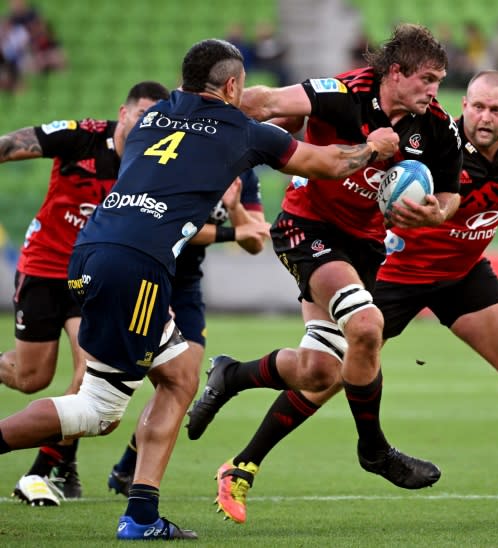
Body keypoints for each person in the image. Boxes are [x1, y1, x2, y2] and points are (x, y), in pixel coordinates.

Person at [0, 37, 400, 541]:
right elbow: (328, 164)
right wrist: (374, 148)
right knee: (97, 410)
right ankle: (138, 516)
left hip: (89, 252)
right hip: (139, 267)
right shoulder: (242, 131)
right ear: (233, 85)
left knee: (180, 375)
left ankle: (142, 512)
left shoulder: (153, 117)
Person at [187, 70, 498, 524]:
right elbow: (359, 168)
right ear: (463, 105)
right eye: (477, 106)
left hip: (462, 273)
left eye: (495, 110)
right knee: (326, 375)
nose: (484, 117)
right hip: (397, 272)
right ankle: (242, 463)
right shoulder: (433, 141)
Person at [186, 23, 463, 523]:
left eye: (439, 81)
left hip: (365, 246)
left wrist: (436, 214)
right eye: (427, 79)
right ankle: (374, 450)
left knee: (318, 371)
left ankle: (231, 375)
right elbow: (264, 103)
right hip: (306, 227)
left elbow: (450, 194)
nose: (434, 91)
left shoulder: (437, 128)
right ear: (395, 73)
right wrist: (202, 123)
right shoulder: (345, 94)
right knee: (366, 325)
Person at [0, 80, 170, 506]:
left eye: (156, 120)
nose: (147, 125)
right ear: (124, 112)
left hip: (91, 274)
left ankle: (41, 472)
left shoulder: (156, 159)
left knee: (87, 371)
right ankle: (61, 463)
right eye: (141, 115)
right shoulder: (83, 135)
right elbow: (15, 144)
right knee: (30, 377)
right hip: (42, 266)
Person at [107, 168, 270, 496]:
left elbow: (254, 241)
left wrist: (235, 207)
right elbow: (171, 226)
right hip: (149, 270)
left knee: (184, 381)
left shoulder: (245, 172)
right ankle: (57, 460)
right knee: (110, 393)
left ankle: (128, 469)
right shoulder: (188, 156)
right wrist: (233, 232)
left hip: (187, 283)